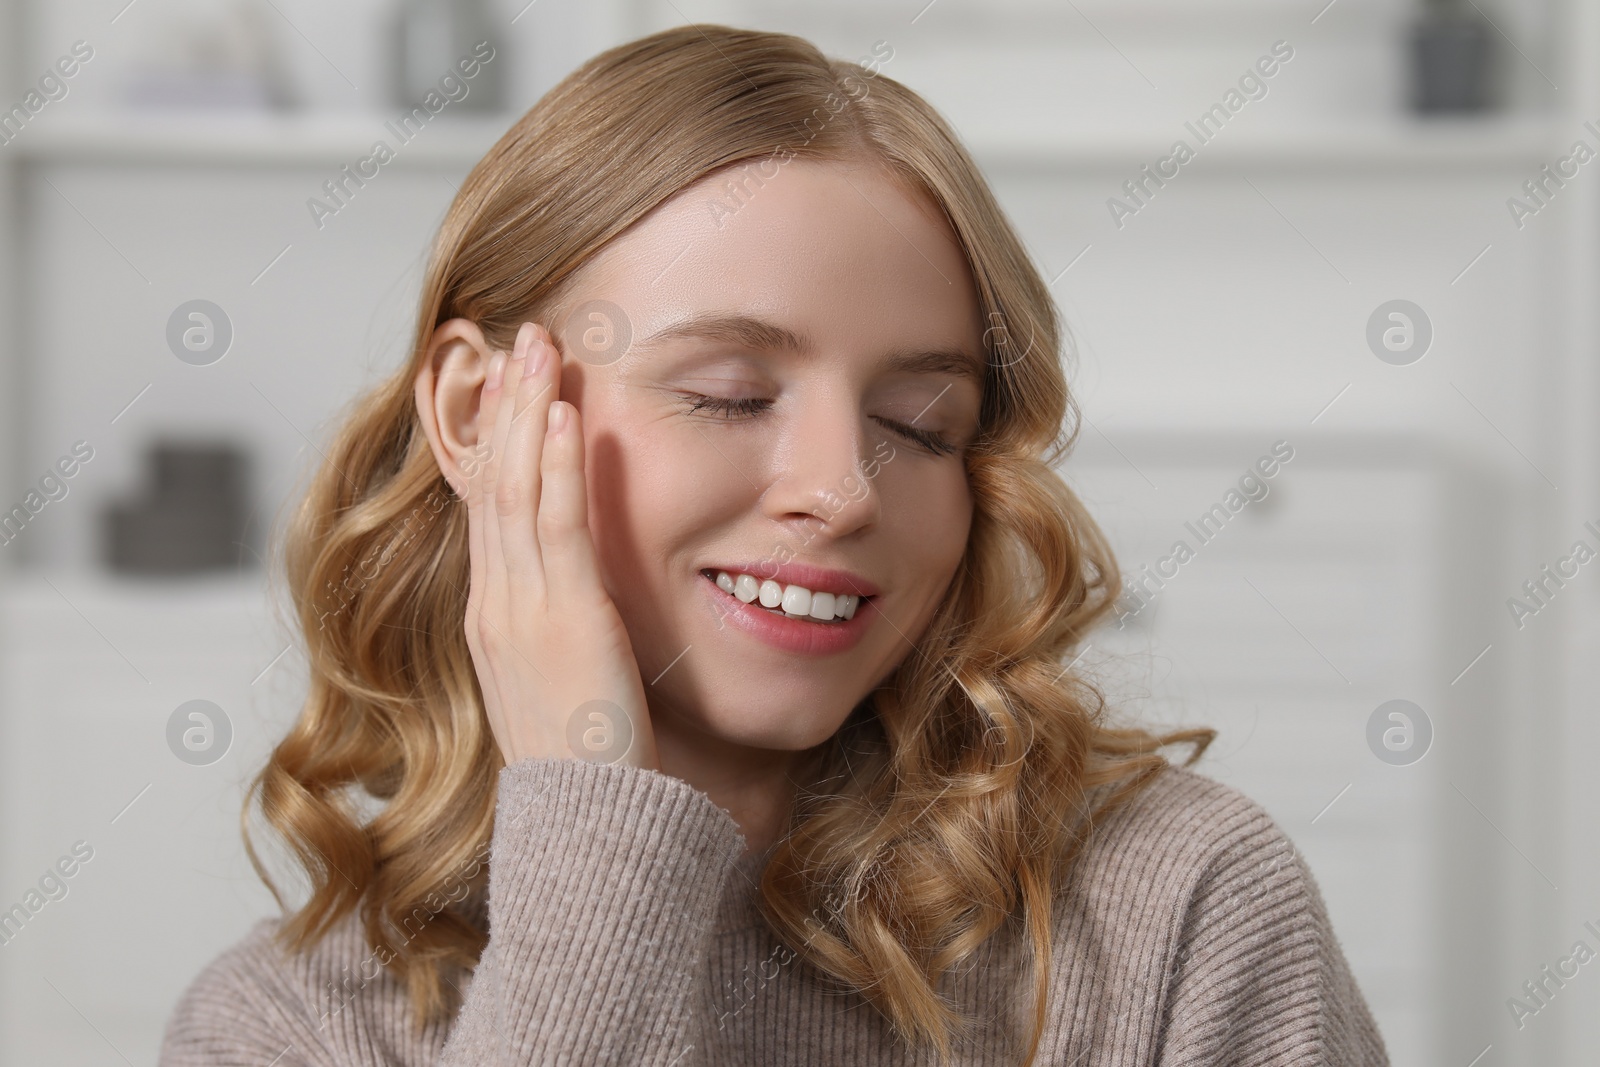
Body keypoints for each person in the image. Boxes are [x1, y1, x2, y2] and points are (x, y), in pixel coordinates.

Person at [159, 23, 1389, 1066]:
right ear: (486, 416)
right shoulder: (287, 1024)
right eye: (732, 394)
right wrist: (593, 818)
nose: (839, 492)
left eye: (919, 424)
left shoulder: (1180, 907)